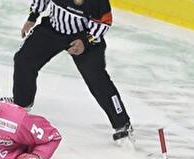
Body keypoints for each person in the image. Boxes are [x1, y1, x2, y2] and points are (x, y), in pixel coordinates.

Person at [13, 0, 132, 144]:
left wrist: (86, 41)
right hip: (53, 28)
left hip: (84, 35)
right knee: (23, 60)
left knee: (98, 79)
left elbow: (103, 22)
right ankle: (22, 104)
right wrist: (32, 17)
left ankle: (122, 123)